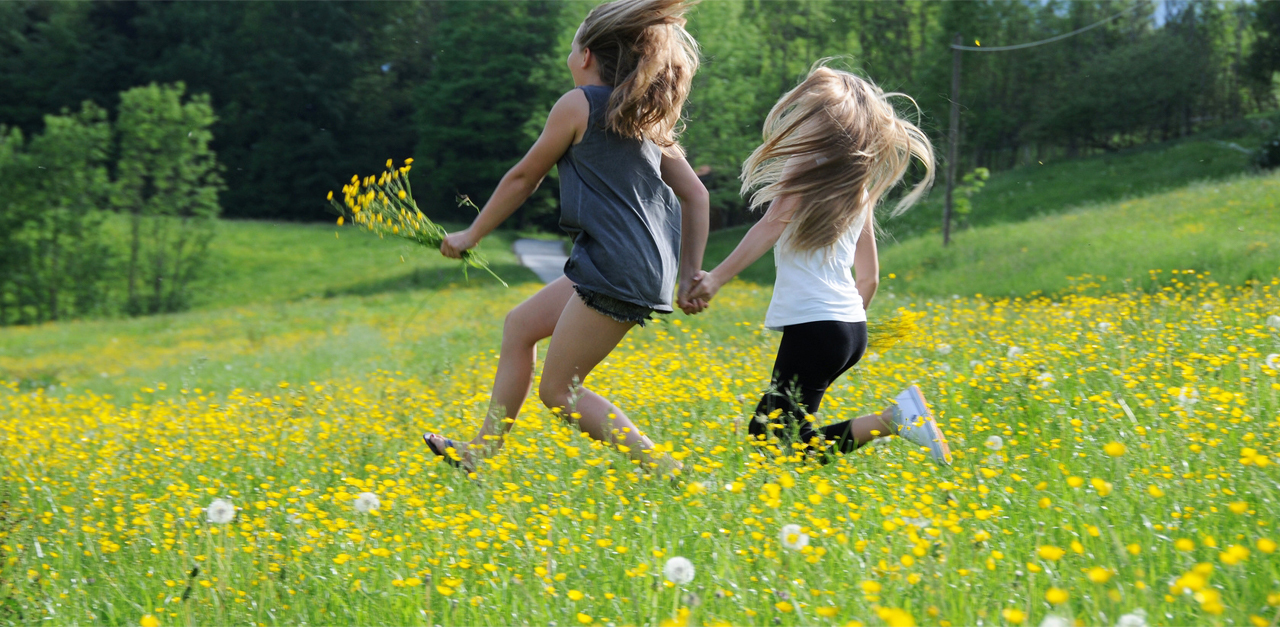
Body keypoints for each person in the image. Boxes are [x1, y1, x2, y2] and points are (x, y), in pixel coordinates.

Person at [424, 0, 709, 478]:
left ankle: (666, 470)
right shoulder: (645, 120)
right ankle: (480, 451)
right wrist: (689, 274)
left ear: (586, 56)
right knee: (520, 326)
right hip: (622, 263)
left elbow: (523, 178)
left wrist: (472, 233)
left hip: (615, 266)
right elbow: (697, 196)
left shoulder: (578, 104)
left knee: (560, 392)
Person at [685, 63, 951, 466]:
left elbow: (770, 226)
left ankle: (895, 418)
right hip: (847, 329)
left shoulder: (808, 168)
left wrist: (716, 278)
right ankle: (892, 419)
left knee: (776, 442)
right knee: (774, 433)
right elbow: (870, 278)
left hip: (818, 328)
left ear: (822, 122)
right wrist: (845, 328)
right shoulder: (856, 185)